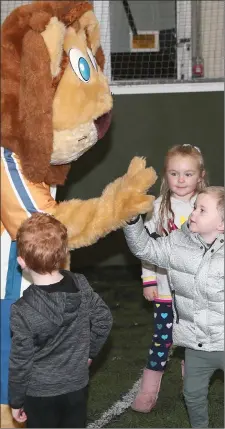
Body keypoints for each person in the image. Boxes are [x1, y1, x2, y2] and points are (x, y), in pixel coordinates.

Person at [124, 186, 224, 428]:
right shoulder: (179, 241)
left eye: (202, 210)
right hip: (196, 343)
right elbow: (145, 248)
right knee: (192, 394)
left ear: (221, 224)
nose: (193, 213)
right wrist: (132, 221)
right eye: (195, 207)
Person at [8, 213, 113, 428]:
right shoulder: (81, 284)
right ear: (64, 253)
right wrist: (90, 353)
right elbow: (104, 319)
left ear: (21, 261)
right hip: (77, 386)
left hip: (39, 394)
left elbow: (21, 361)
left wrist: (16, 400)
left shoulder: (22, 310)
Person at [131, 144, 207, 413]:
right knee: (162, 340)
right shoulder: (156, 207)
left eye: (188, 174)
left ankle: (193, 391)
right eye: (174, 173)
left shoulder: (207, 205)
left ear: (200, 176)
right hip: (165, 292)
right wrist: (148, 279)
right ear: (166, 176)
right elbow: (146, 247)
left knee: (196, 344)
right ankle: (148, 391)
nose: (181, 180)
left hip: (198, 293)